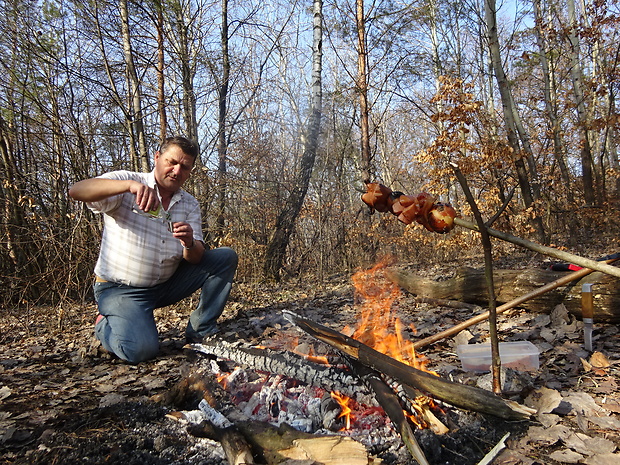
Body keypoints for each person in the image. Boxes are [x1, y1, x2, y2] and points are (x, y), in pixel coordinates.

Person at [69, 136, 238, 363]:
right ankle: (104, 325)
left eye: (184, 167)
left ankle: (201, 330)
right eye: (171, 162)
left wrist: (189, 243)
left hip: (166, 285)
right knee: (140, 351)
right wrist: (129, 187)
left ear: (189, 172)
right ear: (157, 157)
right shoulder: (128, 182)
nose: (176, 171)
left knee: (225, 257)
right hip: (120, 289)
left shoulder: (189, 204)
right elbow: (77, 190)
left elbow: (196, 258)